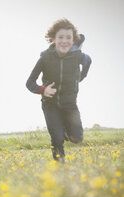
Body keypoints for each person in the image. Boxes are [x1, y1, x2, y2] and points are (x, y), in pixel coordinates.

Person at [26, 19, 92, 162]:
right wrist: (43, 90)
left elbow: (88, 60)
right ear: (54, 39)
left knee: (77, 137)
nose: (64, 41)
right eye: (60, 37)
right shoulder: (45, 58)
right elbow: (29, 83)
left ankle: (65, 131)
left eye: (68, 38)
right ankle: (60, 163)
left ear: (73, 40)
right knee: (56, 136)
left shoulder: (78, 56)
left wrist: (80, 77)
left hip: (70, 103)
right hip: (50, 104)